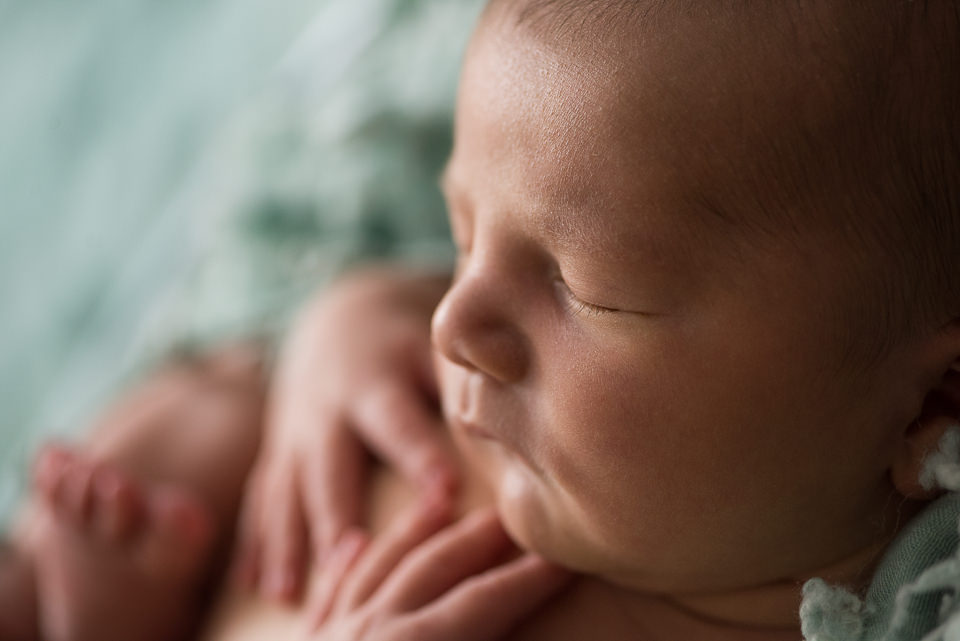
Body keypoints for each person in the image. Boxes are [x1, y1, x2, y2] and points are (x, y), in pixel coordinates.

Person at [5, 0, 960, 639]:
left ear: (927, 410)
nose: (457, 321)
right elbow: (295, 293)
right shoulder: (451, 375)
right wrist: (339, 322)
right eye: (462, 228)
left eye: (589, 288)